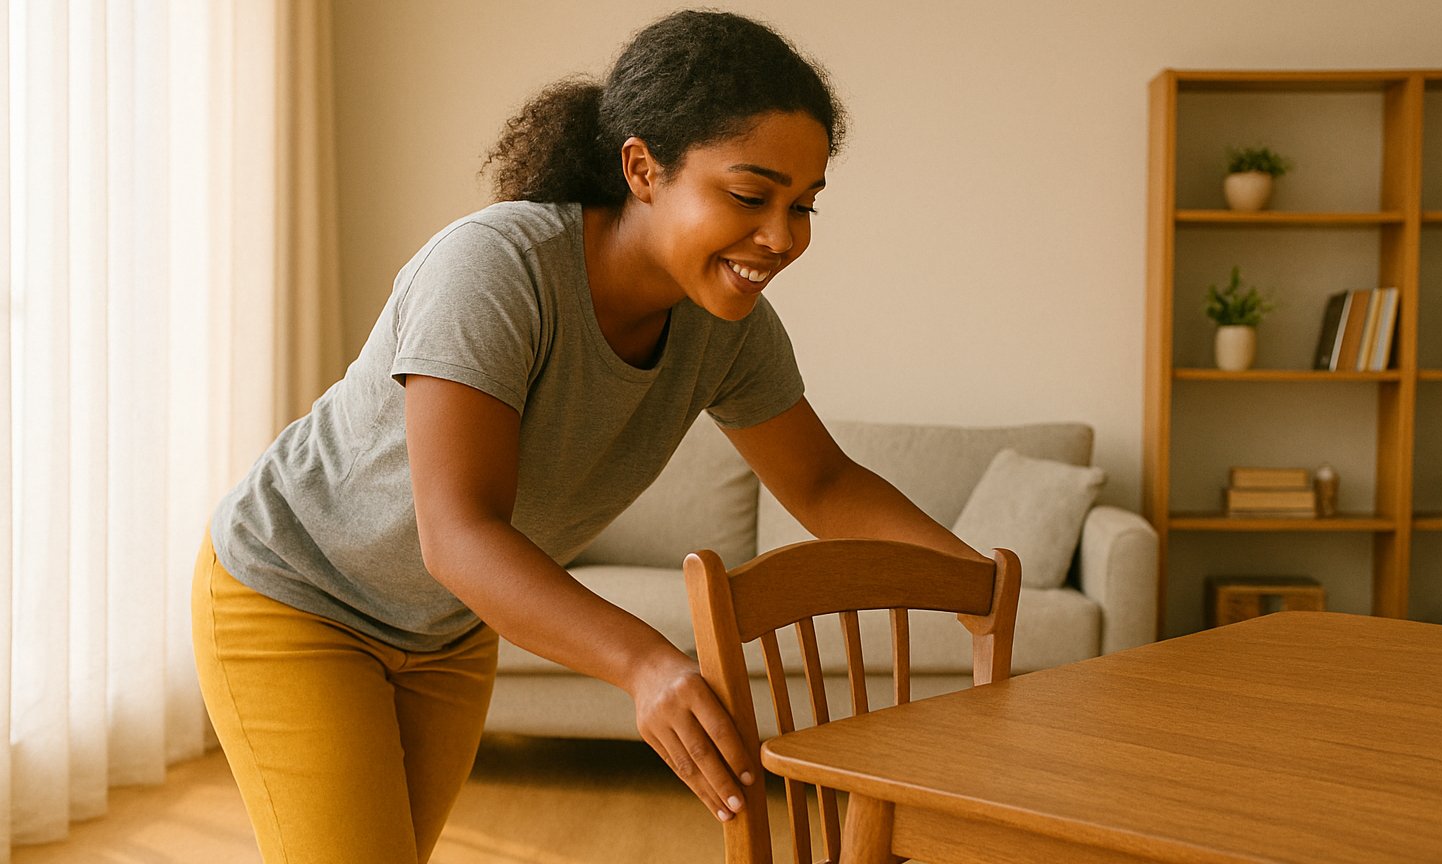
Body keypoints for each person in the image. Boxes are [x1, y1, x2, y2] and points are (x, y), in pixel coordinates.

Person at [191, 9, 983, 863]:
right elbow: (459, 534)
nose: (782, 237)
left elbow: (825, 485)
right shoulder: (495, 271)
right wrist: (647, 663)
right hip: (298, 597)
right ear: (643, 168)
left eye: (803, 205)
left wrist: (978, 589)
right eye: (751, 196)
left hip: (447, 636)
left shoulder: (730, 327)